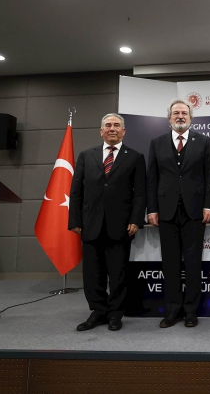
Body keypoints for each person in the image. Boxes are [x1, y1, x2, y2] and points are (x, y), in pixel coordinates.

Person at [69, 113, 146, 332]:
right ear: (101, 131)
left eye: (117, 125)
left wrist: (136, 220)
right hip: (90, 223)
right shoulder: (86, 155)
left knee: (118, 272)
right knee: (93, 273)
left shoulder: (135, 157)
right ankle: (98, 311)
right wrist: (74, 220)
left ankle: (115, 314)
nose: (112, 128)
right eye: (108, 125)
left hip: (121, 225)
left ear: (124, 131)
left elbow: (140, 193)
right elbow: (76, 191)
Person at [147, 99, 210, 328]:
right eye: (175, 113)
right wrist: (152, 209)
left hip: (195, 211)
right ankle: (172, 310)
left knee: (193, 262)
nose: (180, 116)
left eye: (184, 113)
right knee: (170, 263)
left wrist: (209, 205)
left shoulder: (203, 141)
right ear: (169, 118)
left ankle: (191, 311)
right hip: (166, 212)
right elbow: (152, 178)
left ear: (190, 118)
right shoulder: (157, 143)